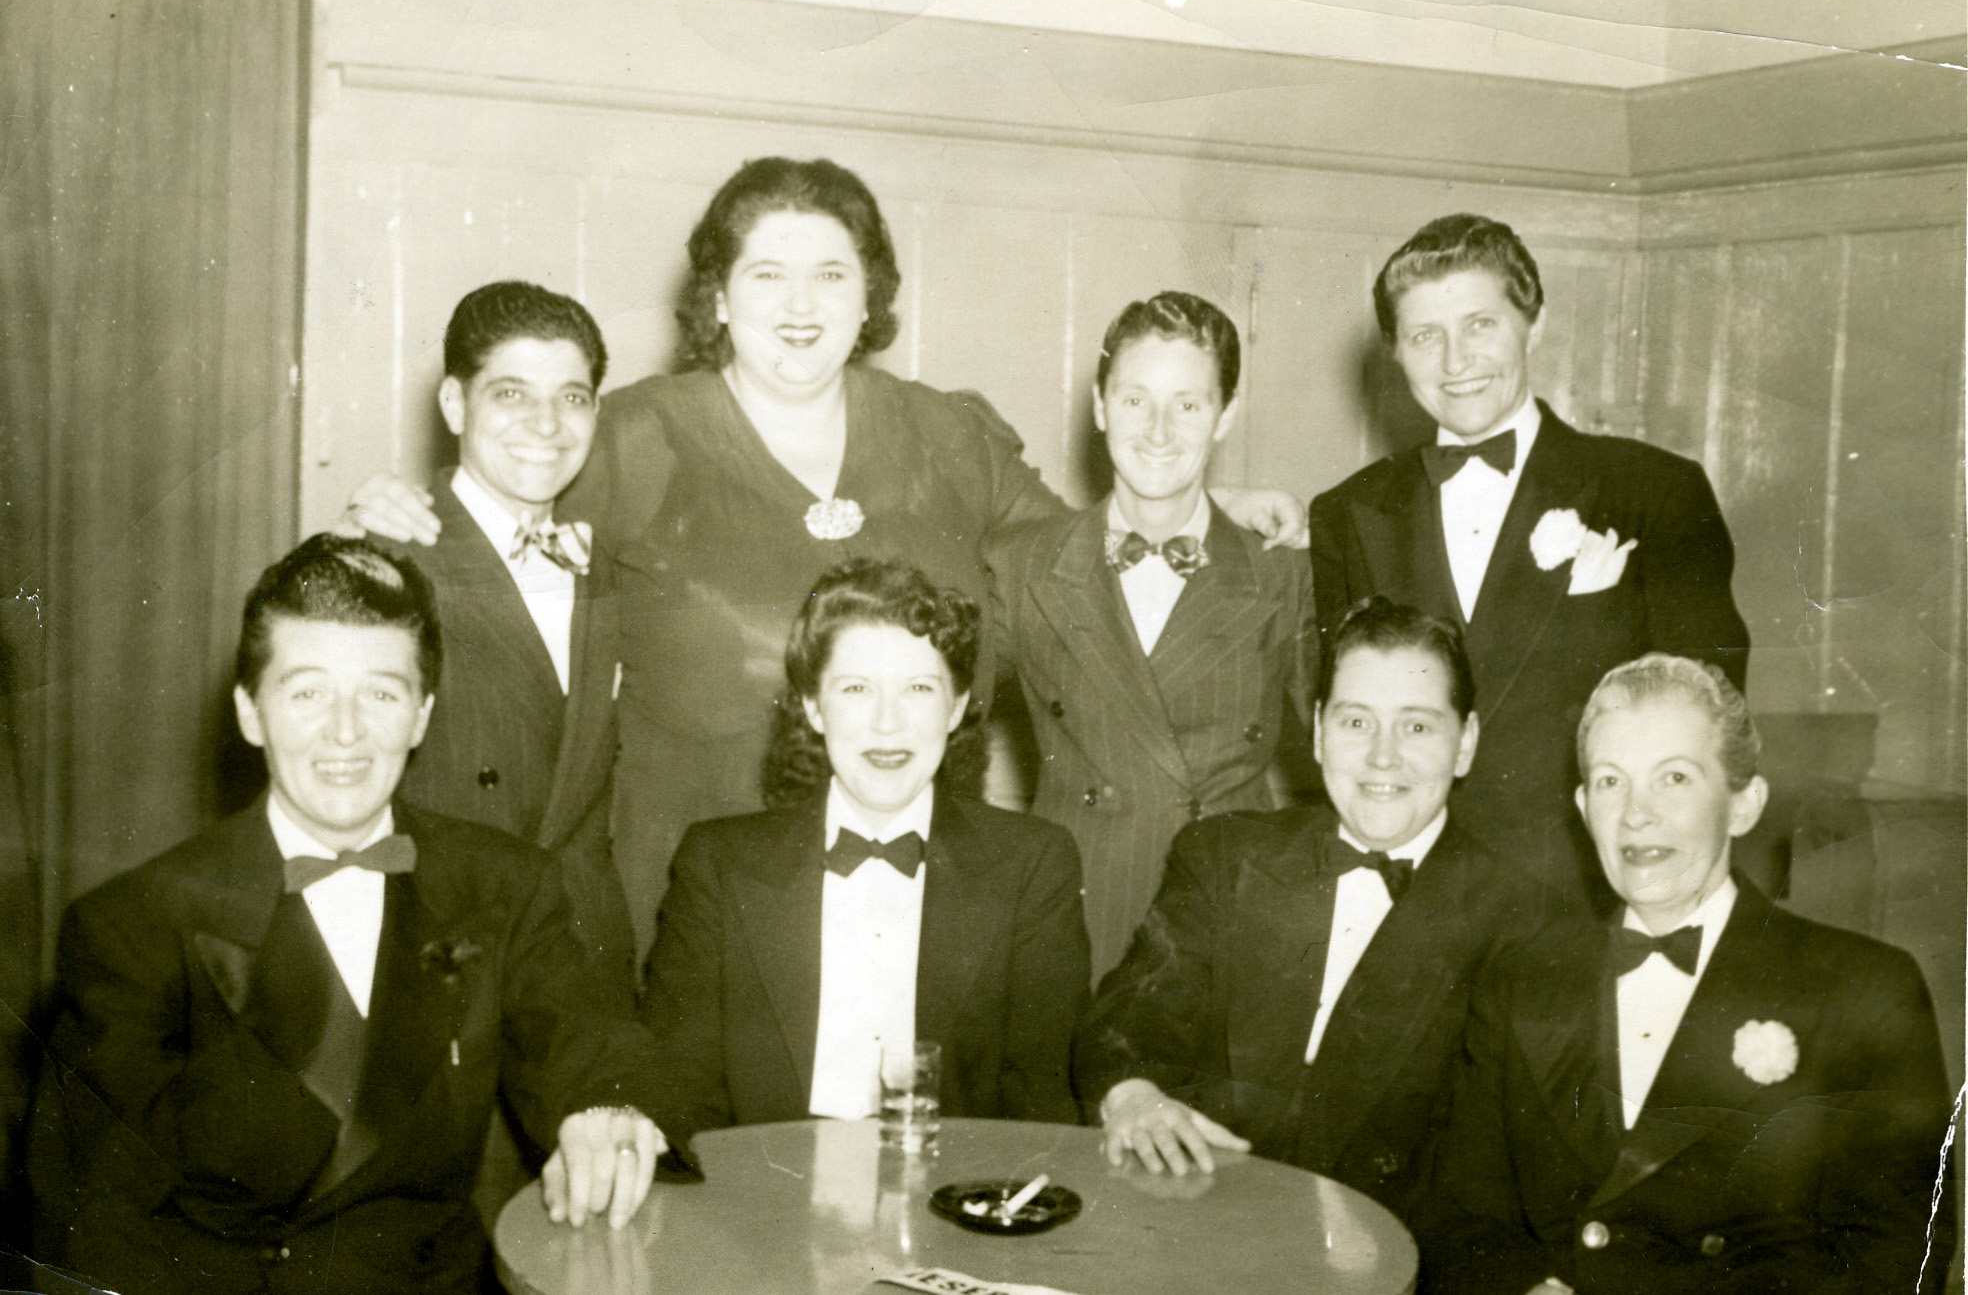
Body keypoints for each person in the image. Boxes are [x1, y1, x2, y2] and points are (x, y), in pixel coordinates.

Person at [346, 157, 1305, 956]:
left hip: (915, 898)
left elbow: (1086, 560)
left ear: (871, 296)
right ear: (717, 297)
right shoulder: (633, 437)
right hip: (685, 905)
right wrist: (402, 513)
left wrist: (1202, 508)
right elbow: (496, 533)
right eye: (768, 274)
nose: (801, 305)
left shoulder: (946, 434)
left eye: (833, 274)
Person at [27, 536, 671, 1295]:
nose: (345, 730)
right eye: (307, 692)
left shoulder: (504, 881)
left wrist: (604, 1105)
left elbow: (584, 1035)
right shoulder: (132, 923)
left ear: (423, 714)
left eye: (381, 693)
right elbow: (94, 1223)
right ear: (249, 712)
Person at [1419, 654, 1954, 1294]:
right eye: (1612, 782)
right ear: (1584, 807)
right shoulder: (1518, 982)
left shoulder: (1866, 990)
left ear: (1744, 803)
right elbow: (1458, 1216)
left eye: (1673, 777)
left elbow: (1895, 1256)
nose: (1636, 814)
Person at [1309, 214, 1749, 906]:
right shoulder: (1347, 512)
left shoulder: (1654, 492)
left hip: (1580, 904)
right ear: (1395, 351)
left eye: (1480, 324)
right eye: (1426, 335)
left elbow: (1707, 727)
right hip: (1406, 904)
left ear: (1533, 325)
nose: (1456, 362)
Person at [1073, 597, 1556, 1225]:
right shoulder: (1224, 854)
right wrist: (1133, 1096)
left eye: (1416, 726)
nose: (1383, 757)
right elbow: (1128, 1019)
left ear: (1465, 744)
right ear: (1320, 731)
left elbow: (1495, 1177)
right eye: (1357, 722)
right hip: (1200, 1231)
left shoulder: (1523, 918)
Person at [638, 558, 1088, 1144]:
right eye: (856, 689)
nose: (886, 723)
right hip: (761, 1196)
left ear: (956, 709)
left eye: (918, 690)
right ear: (812, 707)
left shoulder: (1032, 862)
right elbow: (679, 1088)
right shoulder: (718, 863)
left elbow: (1040, 1102)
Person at [986, 292, 1316, 978]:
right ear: (1101, 408)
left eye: (1188, 404)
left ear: (1225, 415)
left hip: (1235, 918)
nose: (1159, 429)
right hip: (1075, 916)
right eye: (1135, 400)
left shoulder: (1284, 573)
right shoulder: (1023, 565)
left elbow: (1359, 749)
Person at [382, 280, 635, 1001]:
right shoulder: (392, 554)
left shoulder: (606, 562)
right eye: (512, 394)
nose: (547, 424)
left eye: (573, 396)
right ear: (456, 404)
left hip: (584, 962)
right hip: (447, 960)